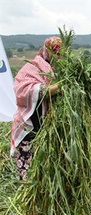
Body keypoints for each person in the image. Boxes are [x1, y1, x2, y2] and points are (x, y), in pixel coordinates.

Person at [10, 36, 62, 180]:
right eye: (55, 53)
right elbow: (22, 91)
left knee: (44, 170)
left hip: (47, 127)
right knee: (28, 169)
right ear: (47, 51)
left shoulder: (57, 71)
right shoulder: (32, 67)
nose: (58, 57)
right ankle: (27, 195)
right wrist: (55, 88)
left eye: (60, 53)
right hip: (30, 126)